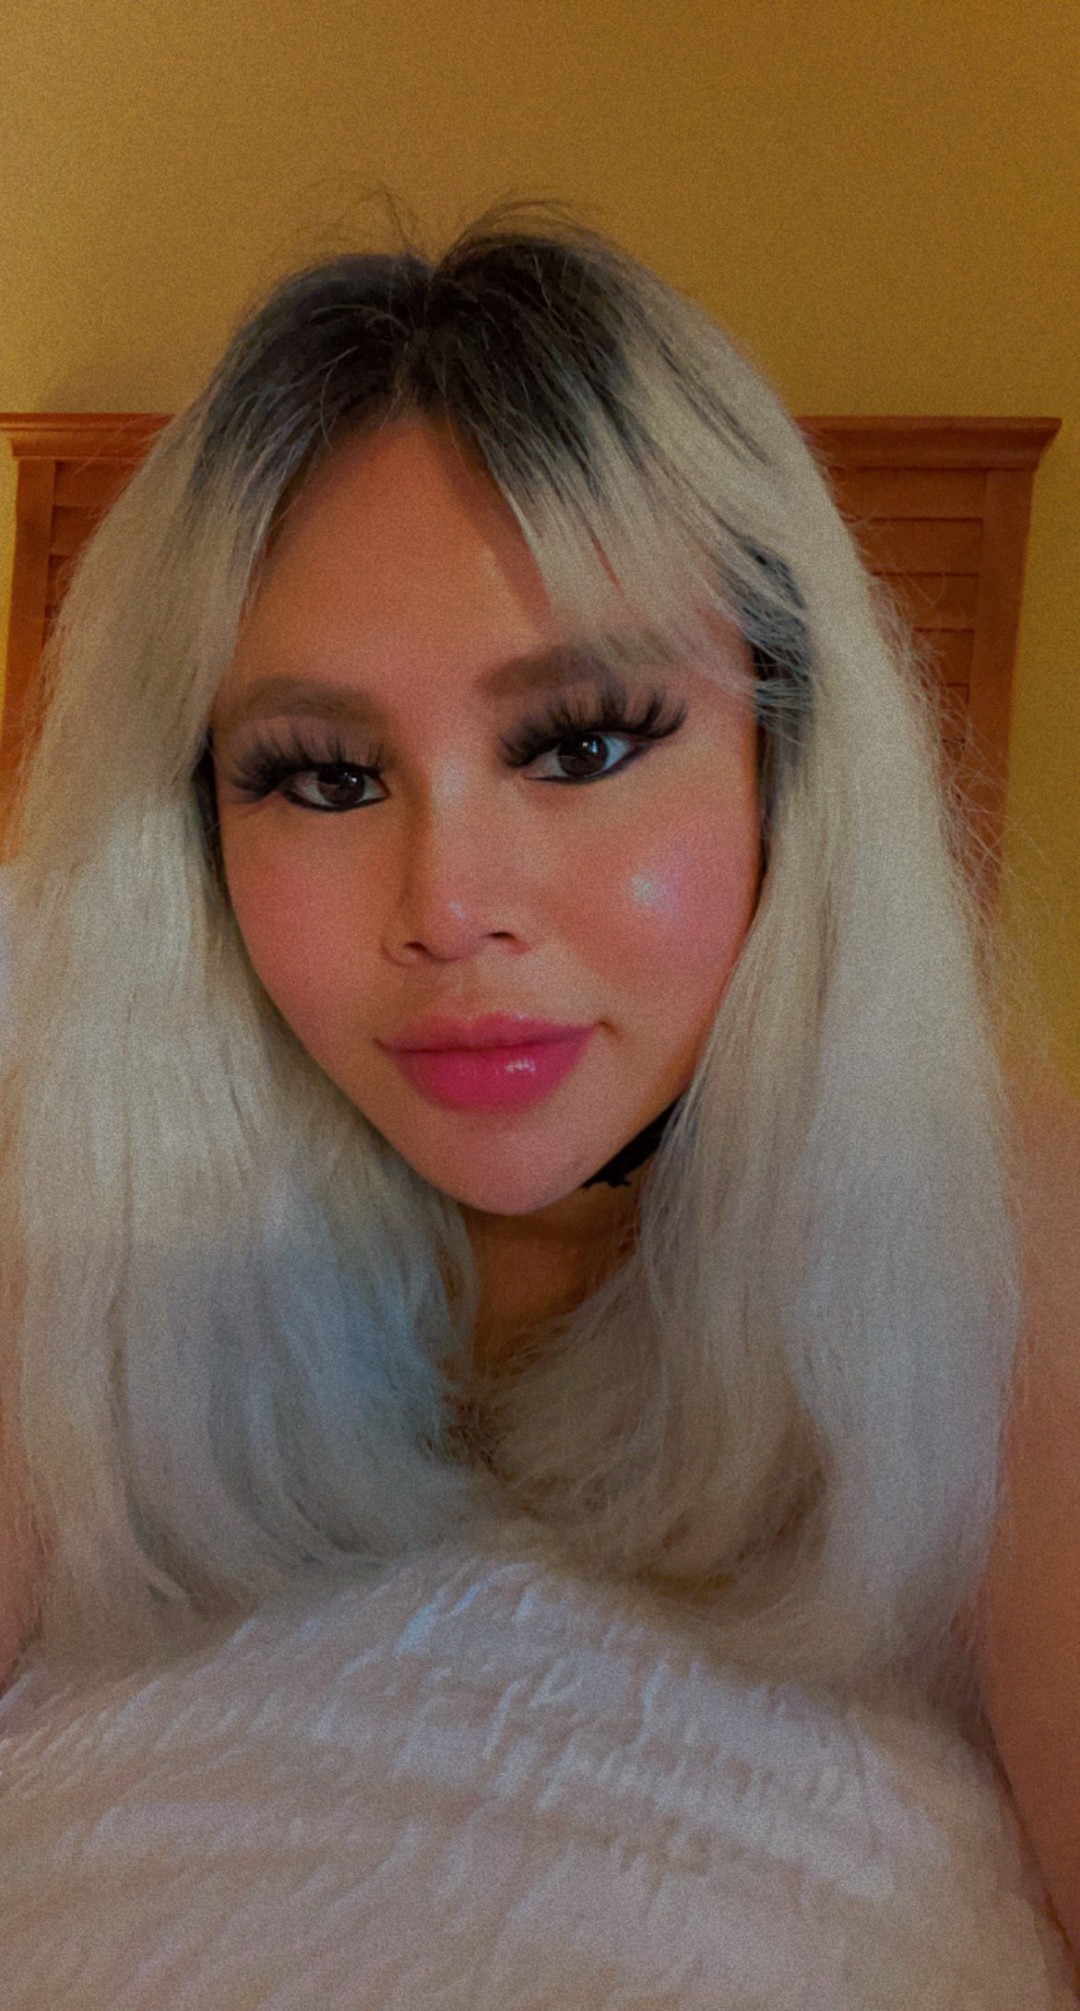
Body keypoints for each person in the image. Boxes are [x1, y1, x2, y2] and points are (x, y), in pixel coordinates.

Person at [0, 203, 1077, 2005]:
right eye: (319, 775)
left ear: (785, 768)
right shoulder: (76, 1197)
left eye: (580, 744)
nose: (447, 906)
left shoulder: (1010, 1232)